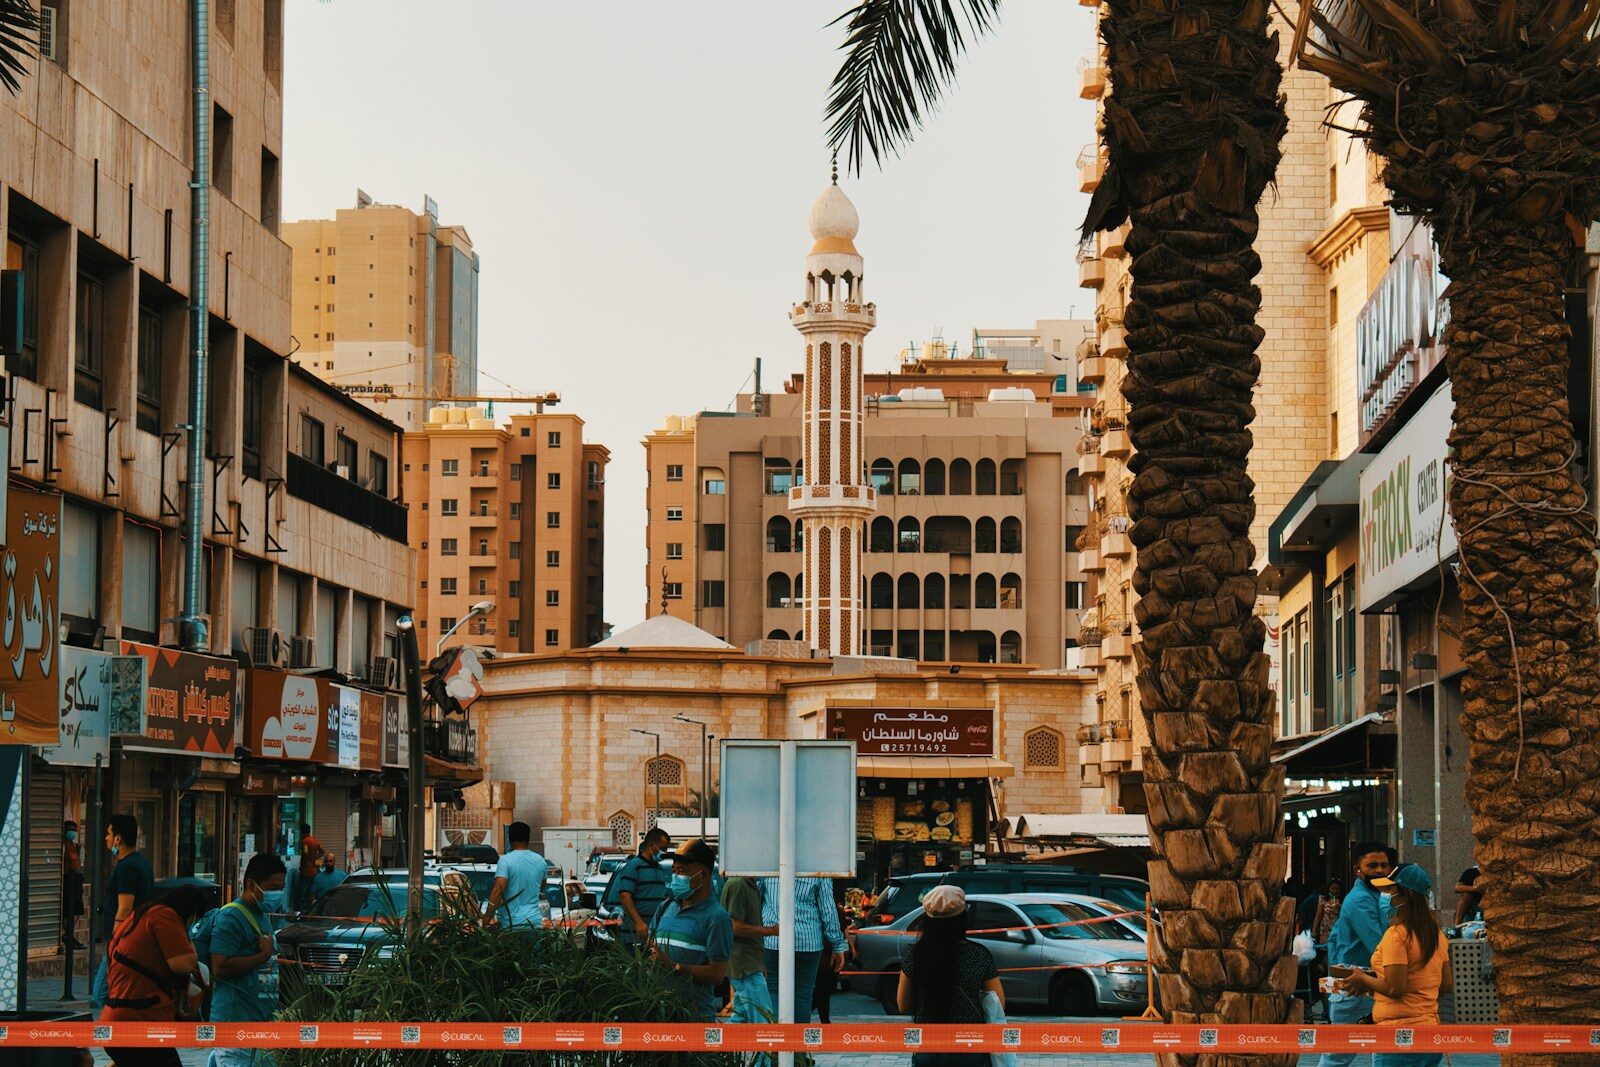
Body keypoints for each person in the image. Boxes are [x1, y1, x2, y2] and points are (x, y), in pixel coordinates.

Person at [1338, 863, 1453, 1067]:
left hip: (1397, 1040)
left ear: (1406, 894)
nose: (1385, 895)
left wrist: (1363, 979)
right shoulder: (1436, 935)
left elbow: (1394, 987)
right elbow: (1446, 985)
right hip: (1431, 1034)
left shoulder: (1397, 936)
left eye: (1390, 889)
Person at [101, 885, 209, 1067]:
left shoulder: (137, 918)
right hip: (141, 1021)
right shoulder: (165, 916)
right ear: (192, 911)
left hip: (116, 1019)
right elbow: (182, 964)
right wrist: (191, 948)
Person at [896, 886, 1001, 1067]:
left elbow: (903, 1004)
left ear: (927, 921)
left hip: (928, 1044)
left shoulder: (915, 955)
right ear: (962, 919)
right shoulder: (979, 954)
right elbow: (999, 1003)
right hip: (971, 1043)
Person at [1318, 842, 1396, 1067]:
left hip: (1365, 987)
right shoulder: (1361, 899)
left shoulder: (1375, 896)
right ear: (1358, 869)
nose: (1380, 870)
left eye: (1384, 865)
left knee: (1382, 1053)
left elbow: (1335, 938)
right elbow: (1379, 946)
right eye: (1372, 865)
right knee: (1337, 1058)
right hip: (1357, 990)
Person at [207, 853, 288, 1067]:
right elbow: (220, 966)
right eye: (272, 887)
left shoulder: (262, 916)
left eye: (281, 887)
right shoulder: (231, 917)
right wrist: (262, 955)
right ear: (251, 884)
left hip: (262, 1021)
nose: (277, 894)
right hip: (235, 1024)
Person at [648, 838, 732, 1020]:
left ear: (703, 875)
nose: (676, 877)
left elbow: (717, 975)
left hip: (694, 1019)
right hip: (657, 1016)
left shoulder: (717, 918)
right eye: (674, 871)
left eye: (682, 871)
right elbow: (650, 946)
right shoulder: (666, 906)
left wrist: (673, 966)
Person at [759, 874, 846, 1025]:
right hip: (808, 942)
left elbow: (756, 896)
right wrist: (837, 945)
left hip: (773, 940)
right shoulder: (817, 867)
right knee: (802, 995)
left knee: (773, 991)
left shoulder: (769, 863)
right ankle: (798, 1046)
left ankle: (775, 1043)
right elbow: (828, 909)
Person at [93, 813, 156, 1012]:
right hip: (136, 939)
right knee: (120, 992)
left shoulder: (127, 868)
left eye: (109, 833)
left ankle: (119, 1033)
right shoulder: (141, 863)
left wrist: (115, 941)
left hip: (124, 941)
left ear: (118, 838)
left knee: (102, 993)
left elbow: (125, 907)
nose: (106, 838)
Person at [720, 874, 777, 1023]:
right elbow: (733, 926)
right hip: (744, 964)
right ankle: (766, 1047)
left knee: (741, 1018)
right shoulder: (739, 885)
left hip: (749, 962)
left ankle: (720, 1045)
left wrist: (758, 963)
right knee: (764, 1019)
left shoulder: (751, 885)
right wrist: (771, 930)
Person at [486, 821, 549, 930]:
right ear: (528, 839)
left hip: (511, 924)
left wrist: (486, 918)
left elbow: (498, 890)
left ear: (509, 839)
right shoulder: (540, 860)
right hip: (534, 922)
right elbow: (542, 886)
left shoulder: (505, 860)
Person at [615, 828, 672, 948]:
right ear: (651, 846)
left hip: (654, 936)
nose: (665, 852)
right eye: (662, 849)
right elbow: (625, 896)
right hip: (634, 938)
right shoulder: (633, 866)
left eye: (666, 849)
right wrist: (638, 922)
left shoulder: (660, 869)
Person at [282, 836, 327, 917]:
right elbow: (322, 852)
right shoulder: (315, 840)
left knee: (299, 893)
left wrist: (307, 861)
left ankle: (299, 913)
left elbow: (305, 853)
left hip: (306, 871)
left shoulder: (305, 841)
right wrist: (314, 858)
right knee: (309, 893)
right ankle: (310, 910)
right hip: (313, 871)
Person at [62, 821, 84, 950]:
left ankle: (68, 935)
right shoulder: (63, 845)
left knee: (77, 909)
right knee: (68, 910)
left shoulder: (75, 845)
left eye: (74, 830)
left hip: (76, 878)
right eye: (70, 830)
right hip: (67, 878)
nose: (72, 833)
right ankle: (68, 936)